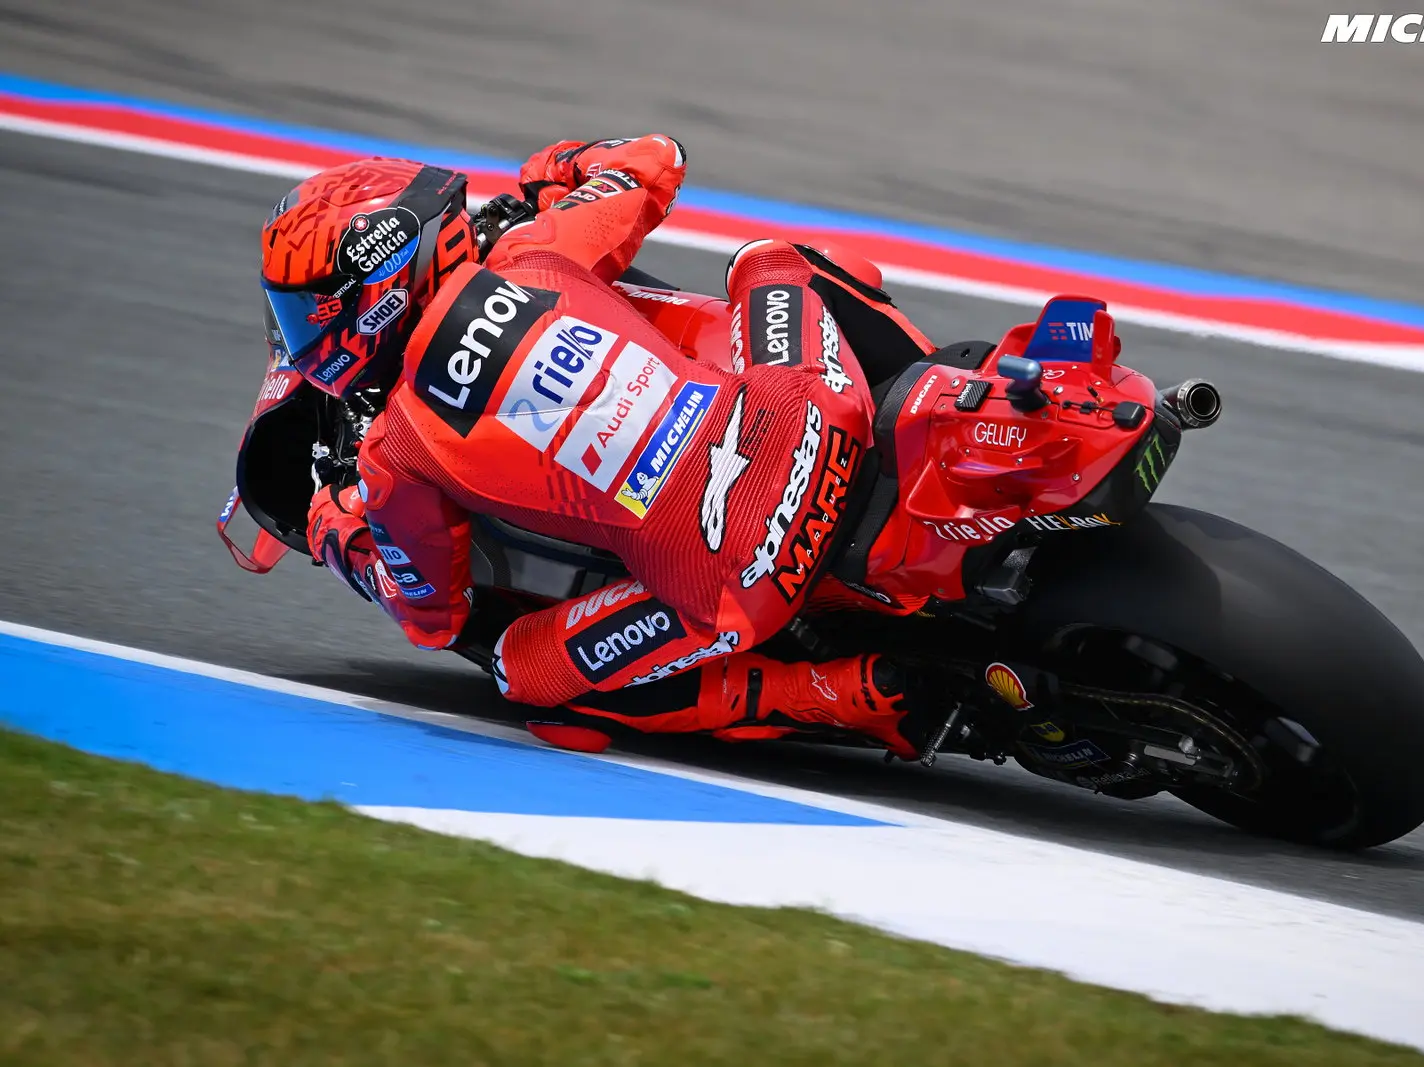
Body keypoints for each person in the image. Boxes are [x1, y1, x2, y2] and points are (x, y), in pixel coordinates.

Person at [261, 137, 941, 757]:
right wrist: (554, 174)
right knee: (768, 260)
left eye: (308, 313)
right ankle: (936, 386)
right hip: (817, 418)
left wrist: (339, 534)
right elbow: (657, 157)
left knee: (521, 672)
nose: (304, 338)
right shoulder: (535, 250)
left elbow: (433, 618)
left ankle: (825, 692)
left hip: (745, 580)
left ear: (373, 296)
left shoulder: (395, 451)